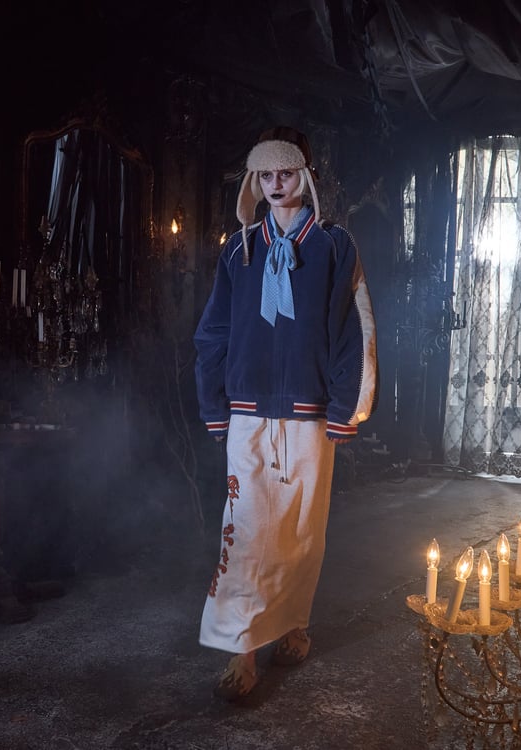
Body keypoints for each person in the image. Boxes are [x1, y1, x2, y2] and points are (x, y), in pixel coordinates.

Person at [194, 126, 378, 700]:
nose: (277, 184)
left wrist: (347, 407)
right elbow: (214, 332)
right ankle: (242, 652)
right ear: (255, 180)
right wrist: (214, 404)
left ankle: (294, 624)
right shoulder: (238, 250)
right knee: (246, 531)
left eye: (287, 173)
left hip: (309, 415)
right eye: (266, 175)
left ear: (306, 176)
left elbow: (354, 331)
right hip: (248, 414)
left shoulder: (333, 247)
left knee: (300, 531)